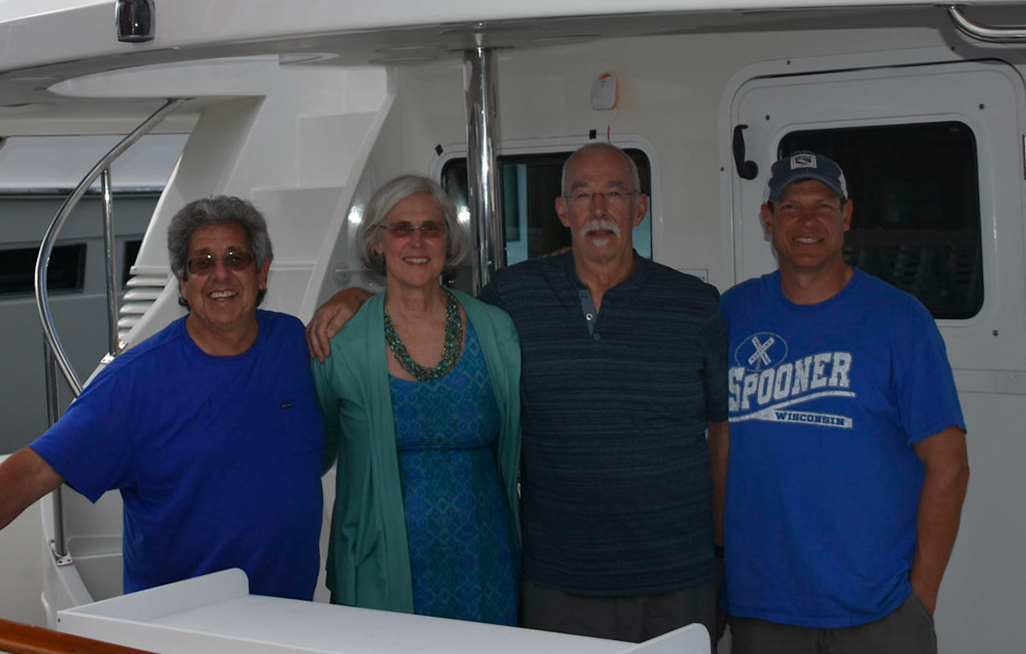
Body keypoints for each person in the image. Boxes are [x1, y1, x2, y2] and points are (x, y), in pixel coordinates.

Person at [309, 143, 728, 644]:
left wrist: (723, 549)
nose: (598, 209)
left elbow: (723, 433)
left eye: (614, 193)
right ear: (562, 211)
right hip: (555, 581)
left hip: (667, 575)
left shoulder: (693, 304)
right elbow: (320, 440)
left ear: (639, 209)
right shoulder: (515, 298)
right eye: (582, 195)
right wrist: (355, 298)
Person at [0, 195, 323, 614]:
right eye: (202, 262)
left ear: (262, 273)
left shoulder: (293, 342)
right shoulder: (135, 382)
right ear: (181, 281)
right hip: (178, 627)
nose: (220, 274)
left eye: (236, 258)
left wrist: (352, 297)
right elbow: (31, 470)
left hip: (289, 621)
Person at [721, 152, 970, 654]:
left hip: (877, 613)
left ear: (847, 216)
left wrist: (919, 600)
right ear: (768, 219)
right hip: (762, 610)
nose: (807, 221)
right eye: (791, 207)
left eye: (823, 206)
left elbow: (949, 465)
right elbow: (716, 443)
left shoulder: (900, 320)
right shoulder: (732, 313)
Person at [313, 175, 521, 623]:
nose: (417, 241)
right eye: (401, 229)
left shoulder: (496, 330)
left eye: (431, 228)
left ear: (448, 240)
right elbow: (317, 446)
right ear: (377, 243)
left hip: (486, 563)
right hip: (379, 570)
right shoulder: (342, 343)